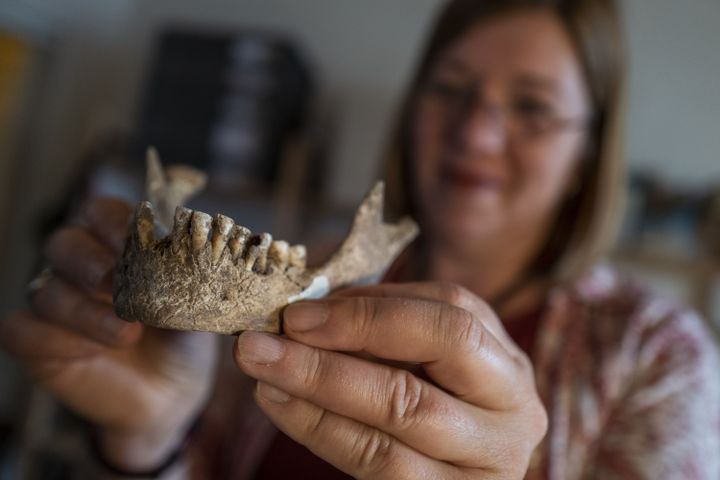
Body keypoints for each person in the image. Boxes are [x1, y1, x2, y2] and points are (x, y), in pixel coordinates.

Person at [2, 0, 719, 478]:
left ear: (588, 152)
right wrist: (149, 437)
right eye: (451, 89)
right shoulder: (300, 278)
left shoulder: (660, 359)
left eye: (531, 107)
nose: (475, 133)